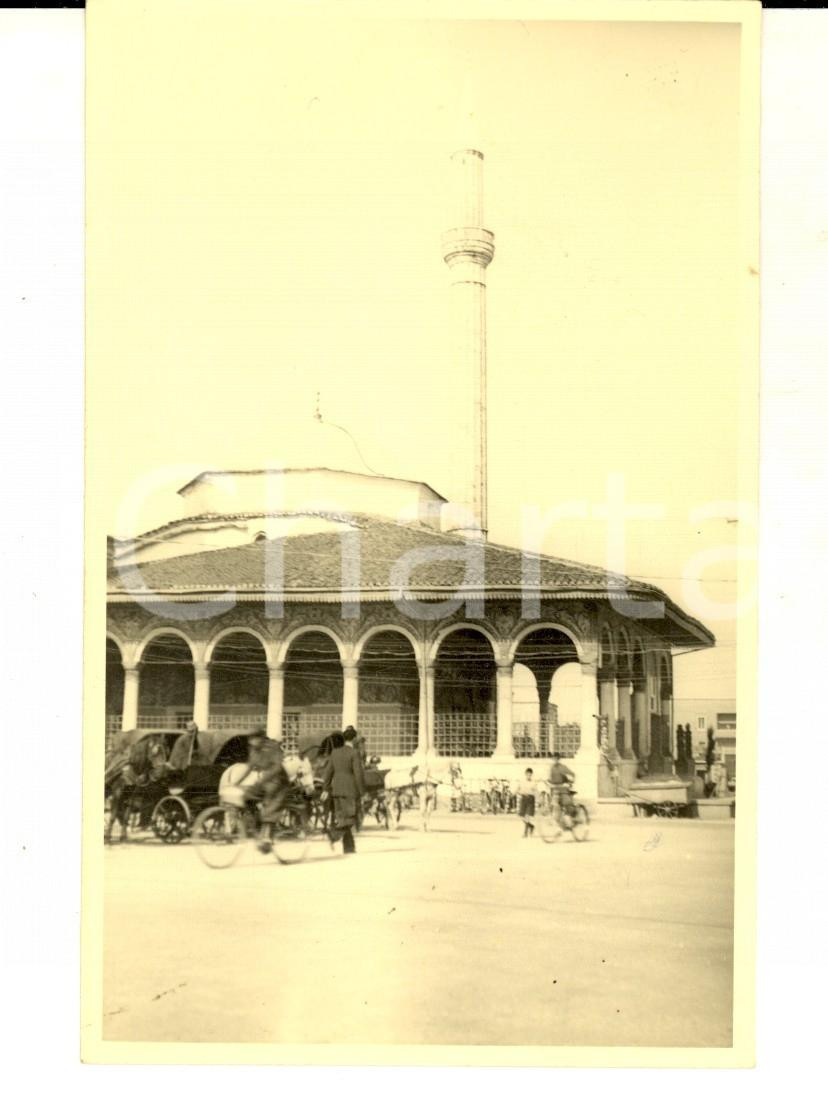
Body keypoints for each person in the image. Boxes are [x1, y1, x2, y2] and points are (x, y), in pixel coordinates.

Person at [322, 730, 364, 854]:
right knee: (351, 818)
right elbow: (358, 774)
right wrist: (362, 791)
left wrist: (325, 788)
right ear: (354, 739)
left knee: (342, 818)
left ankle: (349, 848)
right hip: (350, 790)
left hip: (337, 790)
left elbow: (328, 772)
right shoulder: (354, 753)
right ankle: (333, 835)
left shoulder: (335, 753)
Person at [548, 753, 575, 831]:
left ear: (559, 759)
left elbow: (572, 774)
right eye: (553, 758)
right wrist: (547, 782)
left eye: (556, 758)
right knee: (555, 806)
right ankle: (560, 824)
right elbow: (551, 779)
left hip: (563, 790)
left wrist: (570, 782)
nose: (555, 760)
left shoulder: (562, 767)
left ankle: (569, 821)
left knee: (567, 805)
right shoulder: (552, 768)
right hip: (555, 791)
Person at [517, 768, 537, 837]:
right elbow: (517, 789)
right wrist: (514, 793)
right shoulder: (522, 781)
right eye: (527, 774)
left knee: (527, 816)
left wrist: (539, 798)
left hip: (530, 799)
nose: (529, 776)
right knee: (522, 816)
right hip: (523, 798)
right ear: (525, 774)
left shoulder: (533, 782)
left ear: (531, 775)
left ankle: (525, 833)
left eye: (530, 774)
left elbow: (536, 791)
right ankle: (531, 826)